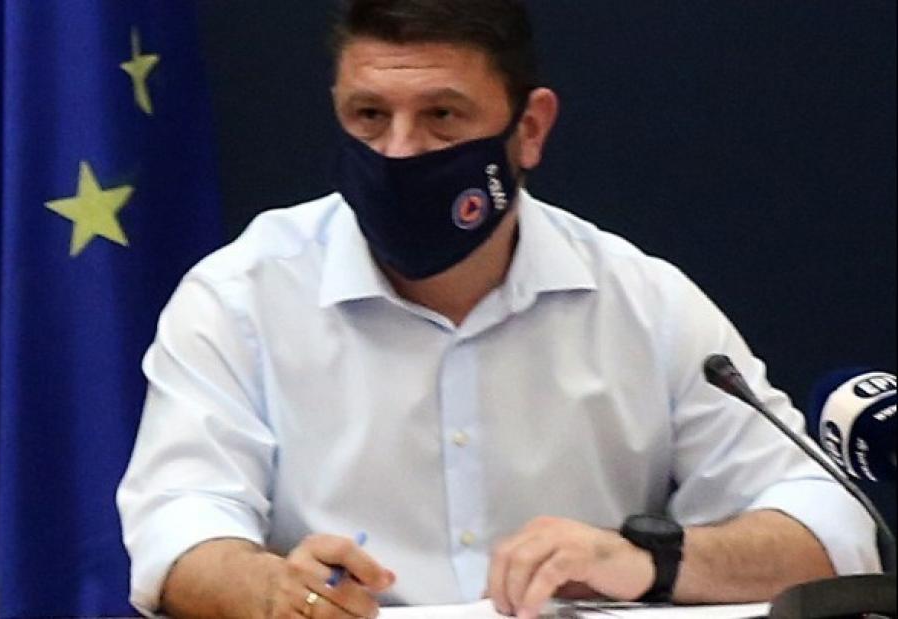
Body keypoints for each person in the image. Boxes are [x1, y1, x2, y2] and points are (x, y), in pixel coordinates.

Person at [117, 1, 880, 617]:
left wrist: (647, 560)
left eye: (443, 115)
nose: (400, 151)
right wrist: (271, 591)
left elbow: (831, 527)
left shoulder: (643, 302)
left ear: (530, 129)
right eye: (369, 115)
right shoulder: (240, 295)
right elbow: (176, 529)